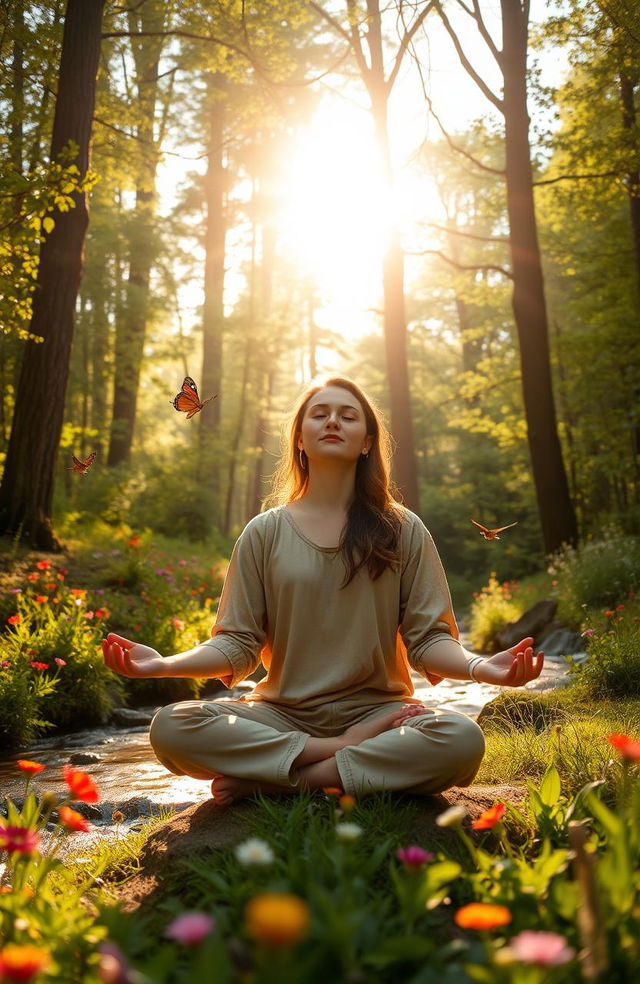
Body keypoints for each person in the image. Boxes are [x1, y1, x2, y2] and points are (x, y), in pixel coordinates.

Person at [102, 376, 544, 805]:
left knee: (461, 739)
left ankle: (283, 781)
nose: (333, 421)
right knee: (172, 727)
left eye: (347, 416)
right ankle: (334, 759)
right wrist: (162, 665)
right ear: (299, 438)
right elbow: (237, 644)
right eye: (320, 414)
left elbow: (429, 641)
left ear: (367, 441)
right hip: (281, 716)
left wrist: (484, 668)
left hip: (381, 714)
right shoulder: (264, 532)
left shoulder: (403, 529)